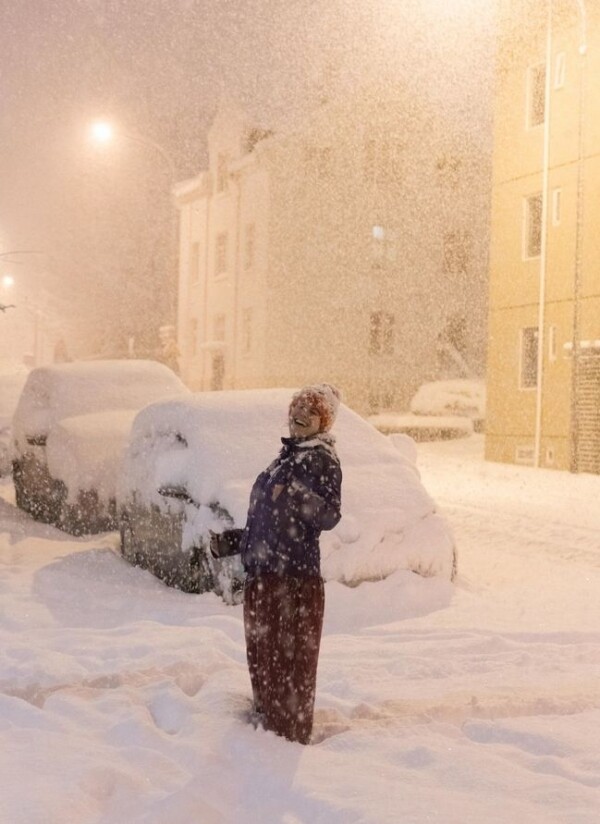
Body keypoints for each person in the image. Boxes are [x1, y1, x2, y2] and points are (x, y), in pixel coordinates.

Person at [210, 383, 343, 744]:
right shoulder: (286, 456)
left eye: (309, 412)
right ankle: (265, 731)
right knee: (265, 662)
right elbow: (267, 520)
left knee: (289, 667)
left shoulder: (322, 460)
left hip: (294, 583)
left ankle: (285, 741)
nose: (299, 416)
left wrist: (296, 494)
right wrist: (233, 542)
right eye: (295, 408)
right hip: (265, 578)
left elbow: (330, 515)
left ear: (323, 421)